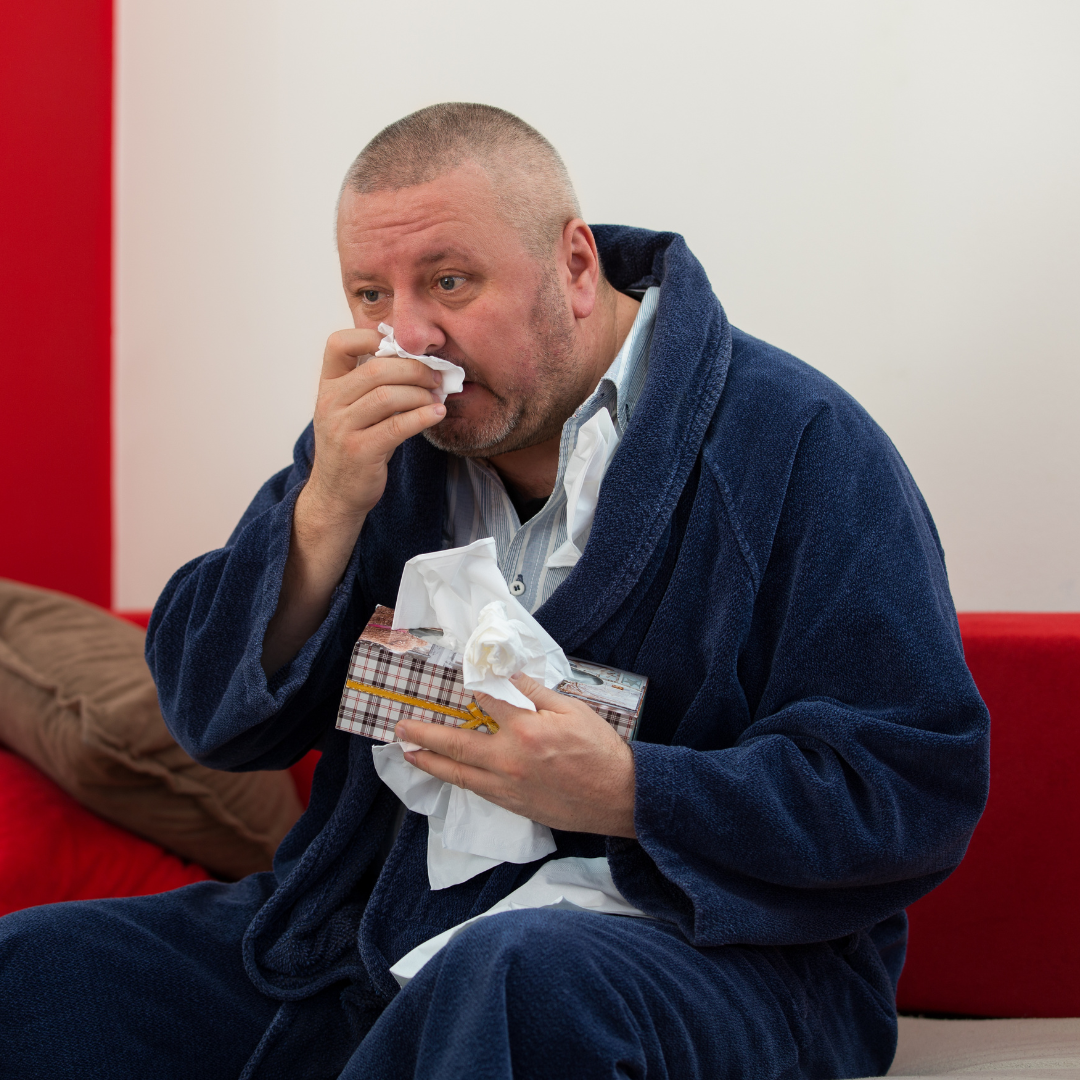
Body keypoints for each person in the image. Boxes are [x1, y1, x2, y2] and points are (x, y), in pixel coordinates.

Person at [0, 103, 989, 1080]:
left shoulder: (802, 445)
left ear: (574, 265)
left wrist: (634, 793)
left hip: (712, 954)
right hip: (370, 935)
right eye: (369, 296)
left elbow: (915, 786)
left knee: (518, 983)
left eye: (449, 281)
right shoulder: (377, 449)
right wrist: (324, 508)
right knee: (35, 973)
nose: (409, 338)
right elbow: (213, 721)